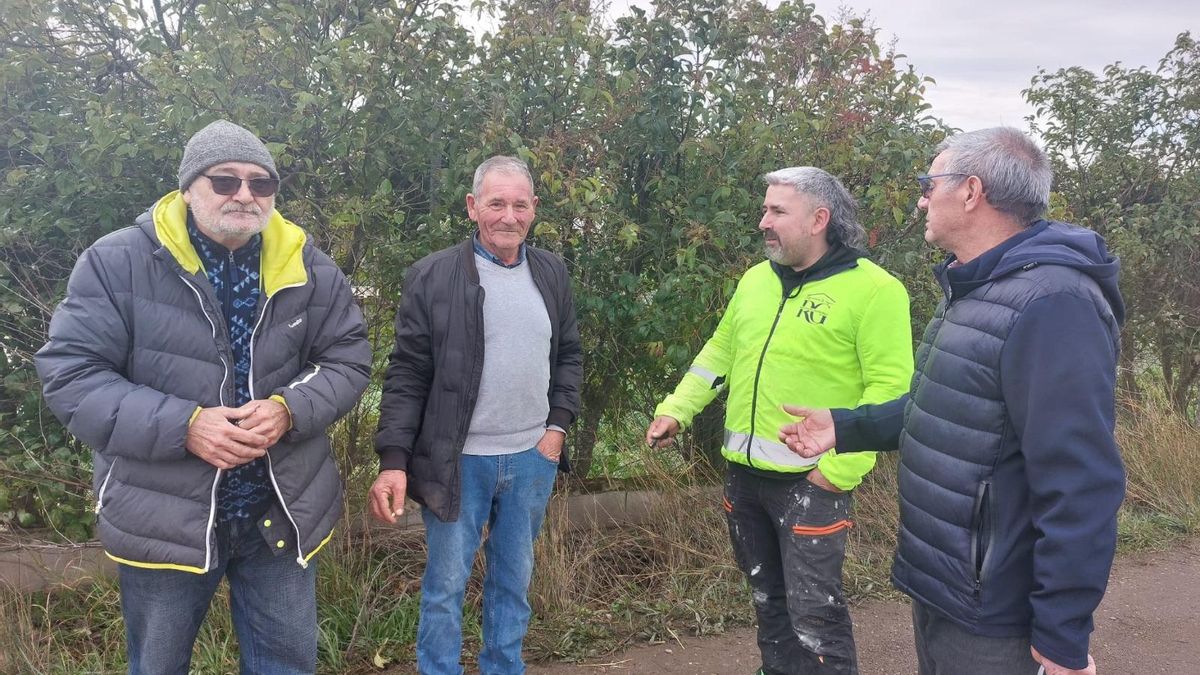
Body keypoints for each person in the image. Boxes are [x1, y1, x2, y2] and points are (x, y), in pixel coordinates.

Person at [779, 128, 1125, 675]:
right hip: (947, 582)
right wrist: (845, 428)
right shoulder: (975, 287)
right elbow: (949, 407)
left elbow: (1080, 480)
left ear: (970, 191)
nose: (920, 198)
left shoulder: (1053, 303)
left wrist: (1062, 632)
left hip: (994, 606)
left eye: (927, 183)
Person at [35, 120, 372, 674]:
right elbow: (72, 375)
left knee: (287, 665)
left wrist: (289, 411)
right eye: (225, 181)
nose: (245, 195)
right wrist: (184, 425)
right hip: (166, 515)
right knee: (158, 665)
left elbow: (347, 359)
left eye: (261, 183)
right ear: (189, 187)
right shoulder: (117, 262)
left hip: (278, 513)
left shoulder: (308, 264)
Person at [645, 167, 913, 675]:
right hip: (744, 481)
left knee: (816, 620)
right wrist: (677, 409)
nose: (763, 221)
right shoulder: (755, 280)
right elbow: (719, 352)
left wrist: (837, 472)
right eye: (765, 209)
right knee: (768, 607)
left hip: (811, 484)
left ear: (819, 219)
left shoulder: (876, 291)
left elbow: (890, 397)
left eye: (777, 211)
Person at [370, 155, 582, 675]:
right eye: (495, 203)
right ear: (472, 208)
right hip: (458, 462)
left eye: (519, 204)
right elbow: (407, 373)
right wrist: (394, 459)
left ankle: (502, 667)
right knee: (445, 586)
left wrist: (556, 430)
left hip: (533, 458)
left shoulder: (550, 272)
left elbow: (570, 355)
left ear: (533, 210)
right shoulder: (433, 276)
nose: (508, 216)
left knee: (513, 581)